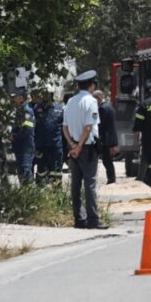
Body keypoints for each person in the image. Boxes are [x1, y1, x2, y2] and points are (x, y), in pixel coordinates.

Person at [63, 70, 108, 230]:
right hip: (87, 148)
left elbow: (65, 127)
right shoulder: (91, 101)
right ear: (92, 85)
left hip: (74, 147)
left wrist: (72, 145)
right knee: (90, 184)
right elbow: (88, 127)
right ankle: (93, 219)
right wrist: (80, 146)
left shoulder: (70, 101)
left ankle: (79, 219)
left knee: (75, 184)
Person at [33, 89, 64, 185]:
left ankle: (56, 192)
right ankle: (41, 191)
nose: (45, 96)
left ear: (52, 94)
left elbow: (65, 127)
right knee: (41, 172)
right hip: (41, 146)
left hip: (56, 146)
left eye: (48, 94)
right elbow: (32, 126)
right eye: (44, 94)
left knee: (56, 172)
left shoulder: (60, 108)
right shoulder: (36, 108)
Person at [93, 90, 119, 184]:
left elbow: (100, 125)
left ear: (99, 97)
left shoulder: (102, 108)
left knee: (107, 160)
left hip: (106, 138)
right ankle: (111, 178)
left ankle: (111, 179)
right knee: (107, 160)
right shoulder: (109, 106)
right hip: (110, 136)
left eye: (94, 99)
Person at [10, 88, 35, 184]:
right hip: (19, 147)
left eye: (15, 97)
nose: (13, 99)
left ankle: (30, 192)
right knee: (21, 173)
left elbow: (27, 130)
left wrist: (14, 136)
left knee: (25, 172)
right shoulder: (19, 111)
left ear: (21, 98)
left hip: (25, 148)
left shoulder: (27, 111)